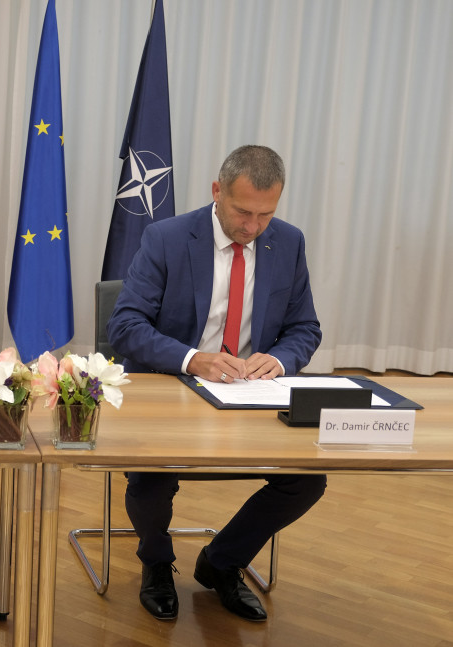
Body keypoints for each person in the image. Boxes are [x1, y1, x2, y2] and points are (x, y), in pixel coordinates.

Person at [106, 145, 326, 622]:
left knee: (306, 481)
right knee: (149, 478)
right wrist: (191, 359)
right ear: (216, 192)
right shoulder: (166, 237)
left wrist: (280, 360)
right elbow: (124, 325)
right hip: (171, 388)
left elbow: (305, 328)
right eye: (242, 212)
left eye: (265, 214)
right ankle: (158, 565)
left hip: (250, 396)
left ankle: (222, 562)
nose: (252, 227)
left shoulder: (288, 242)